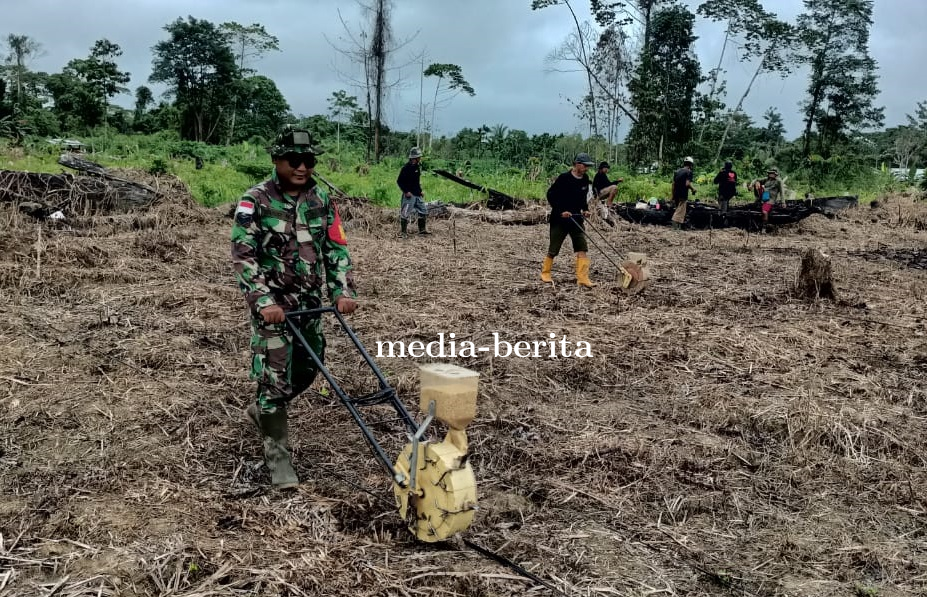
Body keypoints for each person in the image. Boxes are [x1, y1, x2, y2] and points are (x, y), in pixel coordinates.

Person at [231, 126, 358, 489]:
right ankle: (278, 458)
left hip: (309, 306)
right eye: (295, 160)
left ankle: (265, 410)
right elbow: (243, 256)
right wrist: (263, 301)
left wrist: (342, 290)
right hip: (273, 309)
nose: (303, 167)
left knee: (308, 369)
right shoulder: (254, 201)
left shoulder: (320, 201)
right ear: (277, 160)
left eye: (309, 161)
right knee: (274, 381)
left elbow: (335, 248)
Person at [541, 153, 596, 288]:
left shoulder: (585, 179)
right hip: (560, 219)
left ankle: (582, 278)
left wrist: (585, 209)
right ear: (577, 164)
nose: (586, 168)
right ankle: (545, 273)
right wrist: (561, 211)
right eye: (585, 165)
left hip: (576, 218)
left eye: (588, 166)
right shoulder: (564, 178)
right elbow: (551, 195)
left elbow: (583, 198)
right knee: (554, 249)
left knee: (582, 247)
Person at [397, 147, 429, 237]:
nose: (420, 159)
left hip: (417, 194)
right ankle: (403, 233)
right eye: (418, 157)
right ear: (414, 158)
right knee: (405, 214)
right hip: (409, 196)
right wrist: (406, 191)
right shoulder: (405, 168)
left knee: (423, 211)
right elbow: (399, 181)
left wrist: (420, 191)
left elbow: (416, 181)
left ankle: (422, 230)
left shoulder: (417, 167)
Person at [592, 161, 624, 227]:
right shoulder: (599, 175)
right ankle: (608, 204)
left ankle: (608, 205)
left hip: (601, 193)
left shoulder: (603, 175)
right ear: (601, 168)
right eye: (605, 168)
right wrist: (617, 181)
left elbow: (608, 184)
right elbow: (609, 184)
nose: (607, 169)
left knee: (614, 187)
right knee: (614, 187)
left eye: (607, 168)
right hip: (598, 194)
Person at [671, 156, 697, 229]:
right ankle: (675, 227)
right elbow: (687, 184)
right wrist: (693, 189)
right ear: (691, 165)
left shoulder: (677, 171)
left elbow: (673, 184)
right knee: (680, 211)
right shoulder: (689, 172)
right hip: (683, 194)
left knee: (678, 209)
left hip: (676, 193)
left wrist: (672, 195)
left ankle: (678, 227)